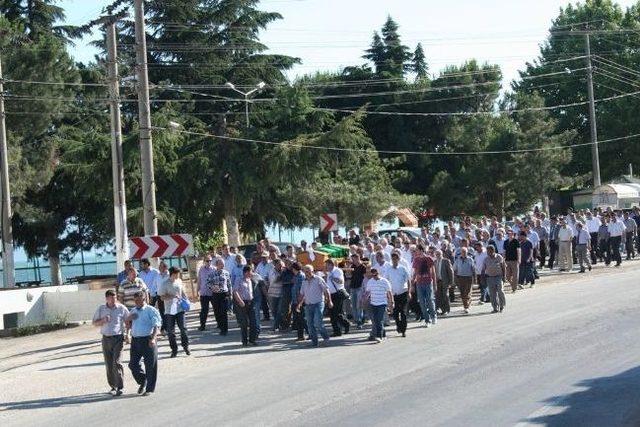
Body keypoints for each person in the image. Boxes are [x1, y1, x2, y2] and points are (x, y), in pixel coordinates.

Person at [92, 289, 129, 396]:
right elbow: (94, 323)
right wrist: (102, 321)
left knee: (117, 362)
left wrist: (128, 334)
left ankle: (120, 387)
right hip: (106, 338)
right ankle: (113, 386)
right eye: (111, 298)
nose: (113, 300)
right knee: (109, 363)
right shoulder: (101, 308)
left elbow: (128, 321)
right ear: (106, 298)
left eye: (115, 298)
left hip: (118, 338)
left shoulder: (121, 308)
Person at [127, 291, 162, 396]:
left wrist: (153, 338)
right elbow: (128, 324)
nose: (137, 302)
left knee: (150, 365)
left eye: (139, 300)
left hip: (148, 339)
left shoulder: (150, 310)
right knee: (132, 364)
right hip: (135, 340)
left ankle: (149, 389)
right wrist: (127, 333)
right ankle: (143, 380)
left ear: (144, 299)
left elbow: (156, 325)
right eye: (135, 300)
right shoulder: (133, 311)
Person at [296, 265, 333, 348]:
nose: (307, 273)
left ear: (312, 271)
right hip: (308, 305)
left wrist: (329, 301)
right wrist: (299, 304)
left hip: (318, 303)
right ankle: (314, 342)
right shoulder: (304, 282)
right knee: (309, 324)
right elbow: (302, 294)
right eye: (305, 271)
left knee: (318, 322)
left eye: (309, 271)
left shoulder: (318, 279)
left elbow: (326, 290)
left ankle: (326, 337)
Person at [158, 267, 190, 358]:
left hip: (180, 309)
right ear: (173, 274)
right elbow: (161, 297)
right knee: (171, 332)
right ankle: (174, 350)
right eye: (177, 273)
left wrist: (187, 301)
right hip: (169, 311)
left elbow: (183, 293)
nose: (178, 275)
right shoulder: (164, 284)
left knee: (183, 329)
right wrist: (172, 296)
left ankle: (186, 346)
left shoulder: (179, 281)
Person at [232, 265, 259, 346]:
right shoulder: (239, 280)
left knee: (253, 322)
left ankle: (252, 339)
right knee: (244, 323)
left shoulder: (250, 280)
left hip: (251, 302)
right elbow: (235, 291)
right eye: (251, 271)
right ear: (246, 272)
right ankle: (244, 341)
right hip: (242, 303)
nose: (252, 273)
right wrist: (240, 301)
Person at [385, 252, 410, 337]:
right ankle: (398, 325)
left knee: (403, 312)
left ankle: (403, 330)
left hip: (403, 293)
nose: (394, 260)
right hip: (393, 294)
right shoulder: (388, 270)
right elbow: (386, 281)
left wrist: (409, 292)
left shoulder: (403, 269)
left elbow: (408, 280)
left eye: (396, 259)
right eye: (393, 259)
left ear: (398, 259)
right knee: (395, 313)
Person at [366, 267, 394, 343]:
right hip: (373, 303)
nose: (374, 277)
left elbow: (389, 293)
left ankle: (379, 336)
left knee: (379, 320)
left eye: (375, 275)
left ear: (378, 274)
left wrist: (391, 303)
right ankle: (384, 334)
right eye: (373, 275)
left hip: (382, 303)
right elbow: (368, 292)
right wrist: (363, 299)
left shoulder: (385, 281)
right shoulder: (370, 282)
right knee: (376, 320)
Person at [412, 245, 437, 325]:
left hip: (428, 282)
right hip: (419, 283)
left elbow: (433, 272)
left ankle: (433, 316)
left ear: (421, 250)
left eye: (417, 250)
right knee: (422, 302)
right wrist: (413, 283)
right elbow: (415, 272)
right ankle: (427, 320)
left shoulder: (429, 258)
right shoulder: (416, 259)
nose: (416, 252)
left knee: (430, 300)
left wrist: (435, 284)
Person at [325, 259, 350, 337]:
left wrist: (333, 278)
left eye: (327, 265)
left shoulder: (337, 271)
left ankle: (345, 324)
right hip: (331, 294)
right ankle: (337, 331)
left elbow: (341, 282)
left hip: (338, 294)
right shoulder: (329, 273)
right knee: (332, 313)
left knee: (336, 313)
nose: (326, 266)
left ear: (331, 264)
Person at [207, 259, 231, 336]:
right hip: (216, 295)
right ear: (217, 265)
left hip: (224, 294)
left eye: (223, 264)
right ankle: (220, 326)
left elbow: (229, 284)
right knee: (217, 312)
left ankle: (225, 329)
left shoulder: (226, 273)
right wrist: (213, 287)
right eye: (221, 264)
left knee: (224, 312)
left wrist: (230, 294)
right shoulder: (212, 274)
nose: (223, 265)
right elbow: (208, 283)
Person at [482, 245, 506, 313]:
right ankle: (495, 307)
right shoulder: (486, 259)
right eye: (487, 251)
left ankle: (502, 306)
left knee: (500, 291)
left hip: (498, 276)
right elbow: (483, 269)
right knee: (492, 294)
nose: (488, 253)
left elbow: (503, 267)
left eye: (489, 251)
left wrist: (504, 276)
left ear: (493, 251)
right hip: (490, 278)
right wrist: (482, 278)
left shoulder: (499, 257)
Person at [453, 247, 475, 314]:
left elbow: (473, 269)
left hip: (469, 277)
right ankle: (466, 306)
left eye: (465, 252)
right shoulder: (457, 260)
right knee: (462, 293)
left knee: (468, 292)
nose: (463, 253)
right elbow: (454, 269)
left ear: (467, 252)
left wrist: (475, 277)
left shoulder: (470, 259)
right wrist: (455, 278)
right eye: (462, 252)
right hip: (460, 278)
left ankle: (467, 305)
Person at [197, 255, 215, 331]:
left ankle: (219, 324)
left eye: (210, 260)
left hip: (213, 293)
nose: (209, 262)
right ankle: (202, 325)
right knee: (204, 310)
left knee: (216, 309)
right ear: (204, 261)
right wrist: (197, 291)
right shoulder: (201, 269)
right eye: (207, 261)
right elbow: (199, 281)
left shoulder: (214, 269)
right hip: (204, 293)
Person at [348, 254, 367, 329]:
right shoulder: (352, 266)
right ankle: (356, 320)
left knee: (359, 305)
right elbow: (349, 275)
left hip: (360, 287)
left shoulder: (363, 267)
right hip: (353, 287)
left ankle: (359, 320)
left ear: (357, 258)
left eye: (354, 259)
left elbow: (365, 277)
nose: (353, 261)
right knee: (353, 304)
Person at [434, 249, 453, 316]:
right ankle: (442, 309)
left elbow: (451, 272)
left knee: (445, 295)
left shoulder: (446, 261)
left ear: (442, 254)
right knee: (439, 296)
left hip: (445, 281)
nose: (438, 255)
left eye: (439, 254)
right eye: (436, 254)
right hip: (438, 281)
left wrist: (451, 282)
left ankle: (447, 310)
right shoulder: (435, 262)